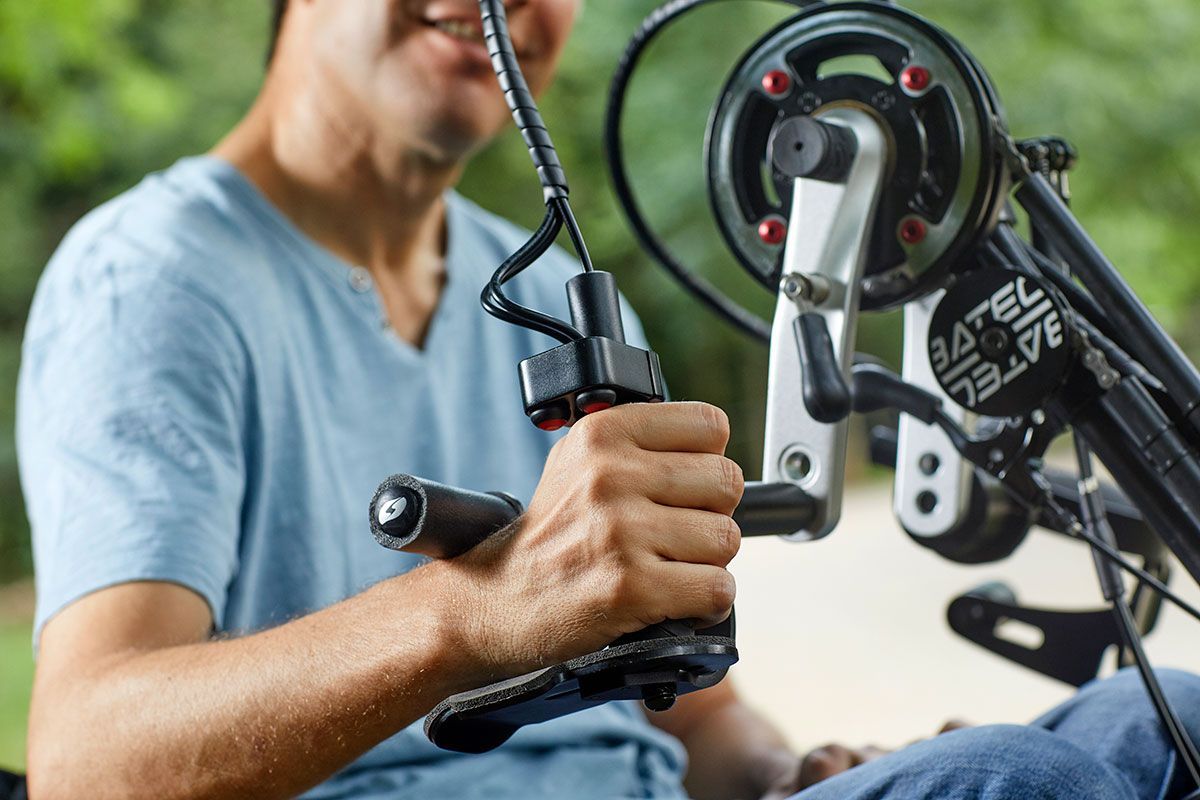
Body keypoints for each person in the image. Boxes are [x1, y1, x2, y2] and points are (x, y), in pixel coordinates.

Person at [15, 1, 1200, 799]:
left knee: (1156, 723)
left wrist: (801, 768)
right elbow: (85, 756)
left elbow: (693, 718)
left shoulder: (559, 296)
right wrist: (474, 615)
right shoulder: (157, 276)